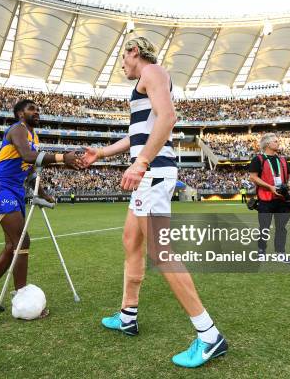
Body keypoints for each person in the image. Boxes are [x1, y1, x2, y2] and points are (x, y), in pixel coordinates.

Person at [82, 37, 227, 369]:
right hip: (149, 174)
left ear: (135, 51)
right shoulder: (144, 83)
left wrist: (142, 162)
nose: (121, 63)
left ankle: (209, 336)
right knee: (131, 240)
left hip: (153, 174)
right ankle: (128, 316)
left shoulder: (153, 72)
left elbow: (168, 117)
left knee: (161, 253)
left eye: (123, 56)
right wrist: (102, 153)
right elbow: (139, 133)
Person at [0, 99, 82, 312]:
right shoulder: (17, 130)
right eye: (32, 109)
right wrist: (61, 157)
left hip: (16, 191)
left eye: (38, 109)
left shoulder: (34, 137)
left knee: (12, 246)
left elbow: (30, 172)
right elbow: (28, 156)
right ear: (20, 114)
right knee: (23, 240)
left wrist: (44, 194)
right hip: (1, 189)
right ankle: (22, 299)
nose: (37, 111)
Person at [248, 133, 290, 260]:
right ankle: (261, 250)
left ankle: (280, 253)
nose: (278, 143)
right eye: (276, 141)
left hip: (283, 199)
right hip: (265, 199)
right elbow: (253, 177)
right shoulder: (258, 159)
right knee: (264, 227)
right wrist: (270, 187)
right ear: (268, 144)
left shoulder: (283, 159)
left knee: (281, 228)